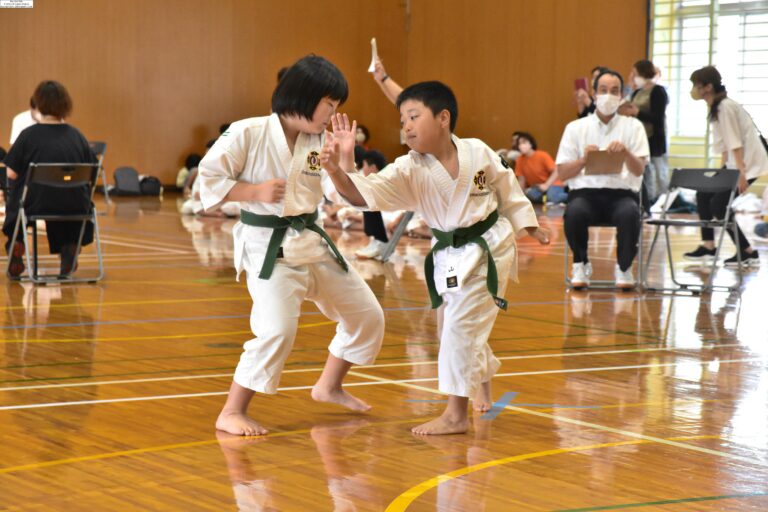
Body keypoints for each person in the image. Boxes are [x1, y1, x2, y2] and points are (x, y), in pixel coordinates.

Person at [321, 81, 550, 435]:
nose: (406, 126)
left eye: (413, 116)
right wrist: (338, 170)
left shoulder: (477, 152)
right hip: (451, 256)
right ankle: (482, 378)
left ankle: (455, 415)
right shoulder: (409, 169)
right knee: (453, 330)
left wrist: (528, 224)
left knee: (460, 327)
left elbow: (508, 187)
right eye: (402, 120)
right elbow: (364, 195)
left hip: (491, 247)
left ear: (443, 118)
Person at [198, 55, 385, 436]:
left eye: (337, 106)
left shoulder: (321, 142)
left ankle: (328, 386)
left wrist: (342, 162)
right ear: (302, 96)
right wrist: (252, 191)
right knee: (277, 330)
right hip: (269, 246)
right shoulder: (247, 132)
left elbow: (349, 197)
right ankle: (232, 411)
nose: (334, 113)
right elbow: (207, 181)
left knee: (368, 316)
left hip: (312, 241)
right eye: (329, 104)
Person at [556, 69, 650, 290]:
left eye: (615, 90)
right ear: (594, 93)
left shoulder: (633, 126)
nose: (609, 95)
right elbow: (562, 173)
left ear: (621, 95)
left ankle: (624, 268)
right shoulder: (575, 128)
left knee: (629, 213)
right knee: (575, 212)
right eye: (604, 90)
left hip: (622, 194)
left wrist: (626, 153)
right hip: (585, 194)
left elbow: (639, 171)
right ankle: (580, 264)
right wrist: (583, 160)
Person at [3, 80, 97, 277]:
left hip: (35, 204)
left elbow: (11, 173)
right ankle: (68, 248)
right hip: (76, 206)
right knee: (65, 196)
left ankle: (16, 242)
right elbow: (93, 173)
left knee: (18, 193)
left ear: (38, 105)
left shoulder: (28, 135)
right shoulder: (77, 136)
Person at [683, 66, 768, 267]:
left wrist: (740, 173)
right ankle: (709, 246)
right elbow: (724, 146)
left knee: (719, 206)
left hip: (747, 165)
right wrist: (721, 172)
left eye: (697, 85)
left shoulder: (724, 107)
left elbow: (734, 142)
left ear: (708, 87)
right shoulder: (715, 108)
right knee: (703, 194)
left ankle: (747, 252)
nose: (694, 89)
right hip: (735, 165)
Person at [619, 59, 669, 207]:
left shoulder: (658, 91)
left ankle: (659, 203)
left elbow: (658, 118)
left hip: (654, 139)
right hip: (640, 139)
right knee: (644, 174)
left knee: (657, 175)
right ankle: (646, 203)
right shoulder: (637, 92)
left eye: (634, 74)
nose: (633, 77)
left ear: (643, 73)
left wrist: (638, 112)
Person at [354, 150, 391, 260]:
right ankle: (376, 240)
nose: (363, 169)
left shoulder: (383, 179)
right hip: (387, 210)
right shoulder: (376, 180)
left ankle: (379, 241)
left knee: (369, 201)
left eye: (364, 165)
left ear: (373, 167)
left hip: (392, 212)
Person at [514, 131, 567, 205]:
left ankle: (571, 196)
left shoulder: (542, 155)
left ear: (531, 144)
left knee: (552, 197)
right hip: (539, 187)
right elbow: (521, 180)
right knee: (529, 195)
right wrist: (519, 197)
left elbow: (556, 171)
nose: (521, 145)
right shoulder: (519, 160)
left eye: (524, 142)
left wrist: (547, 185)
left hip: (553, 183)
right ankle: (547, 199)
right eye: (519, 144)